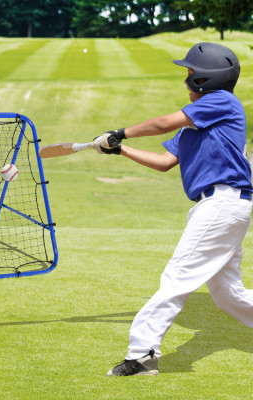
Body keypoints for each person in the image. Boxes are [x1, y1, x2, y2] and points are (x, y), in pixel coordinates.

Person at [93, 42, 253, 376]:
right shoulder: (194, 125)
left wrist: (118, 132)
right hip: (220, 205)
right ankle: (143, 353)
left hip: (223, 203)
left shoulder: (221, 102)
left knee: (178, 276)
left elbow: (162, 122)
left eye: (191, 73)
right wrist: (120, 149)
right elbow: (166, 161)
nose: (186, 80)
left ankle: (141, 354)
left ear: (206, 80)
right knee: (228, 294)